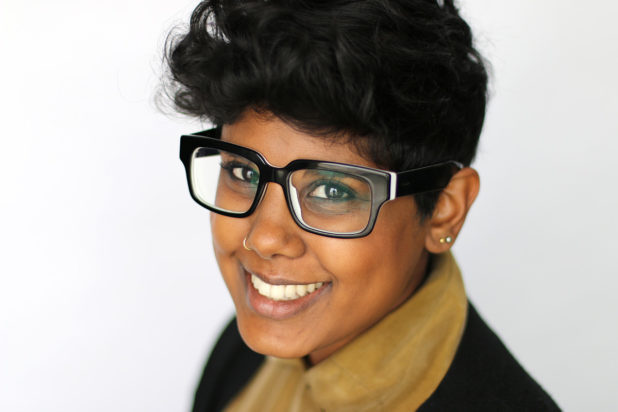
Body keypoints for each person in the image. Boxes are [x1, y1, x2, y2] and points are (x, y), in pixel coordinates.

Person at [163, 0, 560, 410]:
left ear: (445, 209)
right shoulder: (242, 352)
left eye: (331, 192)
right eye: (243, 173)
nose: (264, 239)